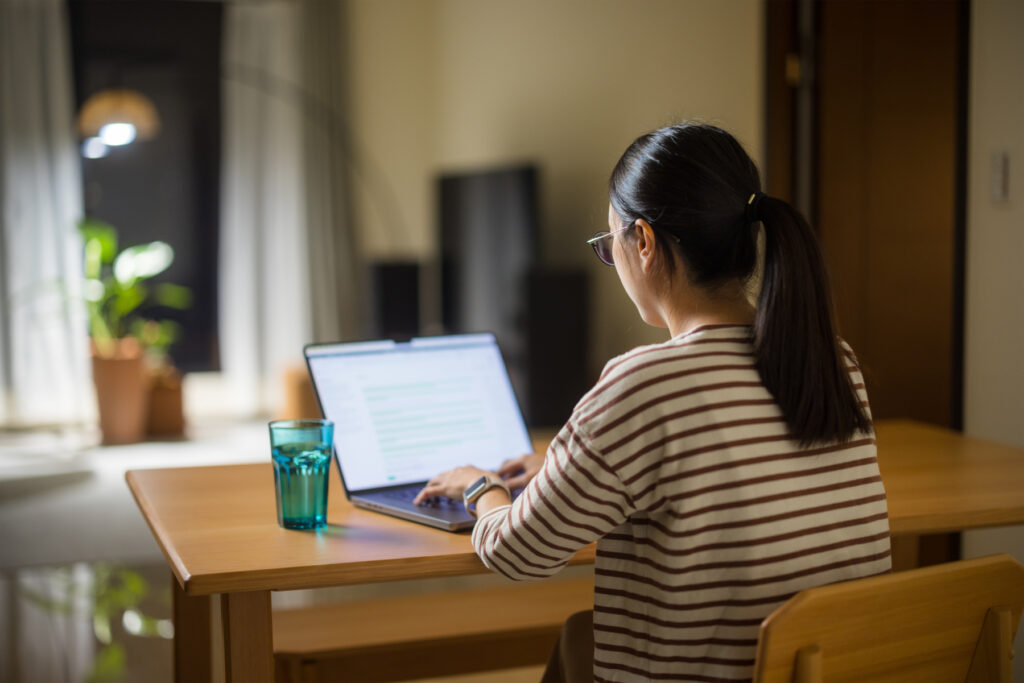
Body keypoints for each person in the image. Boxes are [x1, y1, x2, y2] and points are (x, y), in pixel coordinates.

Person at [414, 123, 891, 682]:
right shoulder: (833, 360)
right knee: (579, 637)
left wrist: (482, 487)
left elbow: (516, 552)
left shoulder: (645, 382)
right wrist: (569, 474)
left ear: (643, 241)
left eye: (608, 244)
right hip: (816, 669)